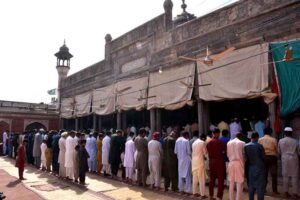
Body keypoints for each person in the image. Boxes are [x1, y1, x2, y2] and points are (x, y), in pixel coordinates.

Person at [278, 127, 299, 198]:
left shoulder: (280, 141)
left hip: (284, 160)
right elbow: (298, 152)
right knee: (294, 176)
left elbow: (279, 151)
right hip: (294, 159)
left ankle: (286, 192)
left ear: (284, 133)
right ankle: (295, 193)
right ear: (291, 133)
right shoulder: (295, 141)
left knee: (285, 176)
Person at [244, 132, 266, 200]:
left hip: (250, 168)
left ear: (251, 137)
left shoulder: (246, 146)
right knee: (260, 187)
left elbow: (246, 158)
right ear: (257, 137)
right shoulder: (260, 146)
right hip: (260, 168)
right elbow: (263, 157)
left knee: (251, 186)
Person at [206, 128, 226, 200]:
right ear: (217, 133)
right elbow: (224, 152)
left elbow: (208, 152)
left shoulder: (208, 143)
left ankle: (211, 195)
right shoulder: (220, 143)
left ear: (212, 134)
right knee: (220, 180)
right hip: (219, 162)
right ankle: (219, 196)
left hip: (211, 162)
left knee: (212, 180)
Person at [258, 127, 279, 195]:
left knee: (264, 174)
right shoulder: (273, 139)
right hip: (272, 158)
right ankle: (275, 190)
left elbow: (258, 149)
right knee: (274, 175)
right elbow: (277, 149)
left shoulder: (260, 140)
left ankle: (263, 189)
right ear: (270, 132)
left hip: (263, 158)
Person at [227, 133, 245, 200]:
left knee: (231, 182)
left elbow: (228, 154)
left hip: (231, 163)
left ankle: (231, 198)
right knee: (239, 182)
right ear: (241, 137)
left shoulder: (229, 143)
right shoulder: (242, 143)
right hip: (239, 163)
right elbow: (244, 154)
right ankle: (238, 198)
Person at [192, 133, 207, 198]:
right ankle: (202, 194)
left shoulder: (194, 143)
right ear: (203, 138)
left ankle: (194, 192)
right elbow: (205, 152)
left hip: (194, 162)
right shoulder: (202, 142)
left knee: (195, 178)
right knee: (201, 179)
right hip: (200, 162)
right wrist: (205, 157)